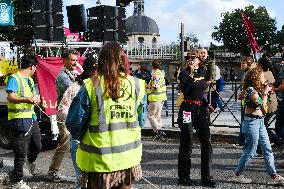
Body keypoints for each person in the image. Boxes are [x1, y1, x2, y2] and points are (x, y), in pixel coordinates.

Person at [66, 41, 146, 189]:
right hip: (128, 159)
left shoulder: (91, 85)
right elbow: (141, 121)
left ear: (101, 60)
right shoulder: (137, 85)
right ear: (123, 59)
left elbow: (74, 124)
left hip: (98, 162)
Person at [232, 66, 284, 185]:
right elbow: (261, 106)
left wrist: (266, 92)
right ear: (256, 77)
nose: (264, 77)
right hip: (251, 123)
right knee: (250, 151)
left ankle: (273, 175)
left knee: (267, 149)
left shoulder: (257, 89)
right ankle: (237, 175)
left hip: (259, 122)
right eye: (262, 75)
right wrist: (265, 94)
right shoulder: (250, 90)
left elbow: (264, 108)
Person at [57, 55, 98, 188]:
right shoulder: (77, 87)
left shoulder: (100, 87)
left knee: (92, 178)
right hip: (81, 138)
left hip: (94, 138)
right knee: (82, 178)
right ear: (93, 71)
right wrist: (77, 126)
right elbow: (63, 108)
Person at [177, 49, 216, 188]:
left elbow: (200, 93)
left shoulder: (204, 73)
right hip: (187, 110)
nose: (191, 59)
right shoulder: (184, 73)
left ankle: (206, 177)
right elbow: (185, 91)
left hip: (200, 110)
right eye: (189, 57)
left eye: (194, 57)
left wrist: (207, 104)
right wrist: (191, 75)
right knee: (187, 141)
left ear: (199, 60)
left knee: (206, 141)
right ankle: (183, 177)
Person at [6, 55, 42, 189]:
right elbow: (11, 97)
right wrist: (27, 100)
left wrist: (35, 99)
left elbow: (31, 97)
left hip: (31, 119)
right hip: (19, 119)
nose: (35, 70)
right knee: (21, 152)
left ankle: (31, 161)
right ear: (32, 67)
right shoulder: (14, 78)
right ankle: (17, 182)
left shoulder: (30, 81)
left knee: (37, 145)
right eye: (35, 68)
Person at [48, 48, 79, 181]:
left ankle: (82, 173)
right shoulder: (63, 76)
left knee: (76, 144)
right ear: (64, 60)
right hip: (64, 114)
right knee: (64, 144)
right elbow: (76, 90)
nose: (75, 63)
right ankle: (52, 172)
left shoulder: (73, 72)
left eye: (76, 60)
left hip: (73, 113)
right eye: (72, 60)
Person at [147, 59, 167, 139]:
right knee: (157, 116)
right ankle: (159, 132)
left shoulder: (156, 74)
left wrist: (147, 87)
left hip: (155, 98)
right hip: (161, 98)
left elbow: (155, 86)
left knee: (151, 116)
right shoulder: (161, 73)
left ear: (152, 65)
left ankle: (158, 131)